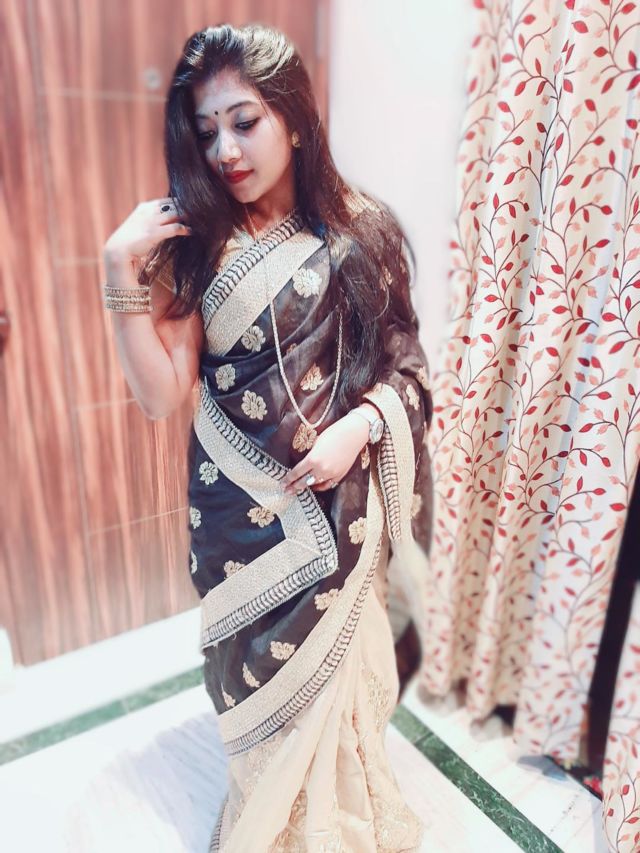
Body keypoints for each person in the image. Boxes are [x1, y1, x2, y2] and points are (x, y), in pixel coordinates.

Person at [102, 22, 433, 853]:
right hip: (236, 526)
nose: (225, 150)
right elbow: (160, 395)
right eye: (207, 130)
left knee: (339, 695)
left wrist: (360, 426)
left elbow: (409, 369)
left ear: (293, 118)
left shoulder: (363, 233)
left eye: (244, 122)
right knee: (254, 689)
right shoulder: (199, 246)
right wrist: (116, 275)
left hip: (338, 515)